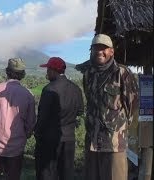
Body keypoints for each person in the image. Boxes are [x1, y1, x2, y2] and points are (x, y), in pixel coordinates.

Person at [83, 34, 139, 180]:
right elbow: (90, 99)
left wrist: (120, 128)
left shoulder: (122, 73)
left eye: (104, 48)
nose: (99, 52)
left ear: (112, 51)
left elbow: (132, 105)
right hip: (92, 141)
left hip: (114, 143)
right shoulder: (89, 73)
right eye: (95, 48)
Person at [0, 58, 36, 180]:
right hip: (16, 145)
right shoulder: (28, 94)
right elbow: (31, 123)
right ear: (22, 74)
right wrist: (25, 135)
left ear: (7, 71)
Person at [35, 57, 84, 180]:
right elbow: (80, 111)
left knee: (47, 173)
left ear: (53, 70)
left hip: (49, 140)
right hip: (69, 139)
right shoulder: (76, 89)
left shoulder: (49, 89)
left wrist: (37, 133)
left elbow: (42, 117)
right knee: (66, 173)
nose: (46, 73)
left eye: (47, 69)